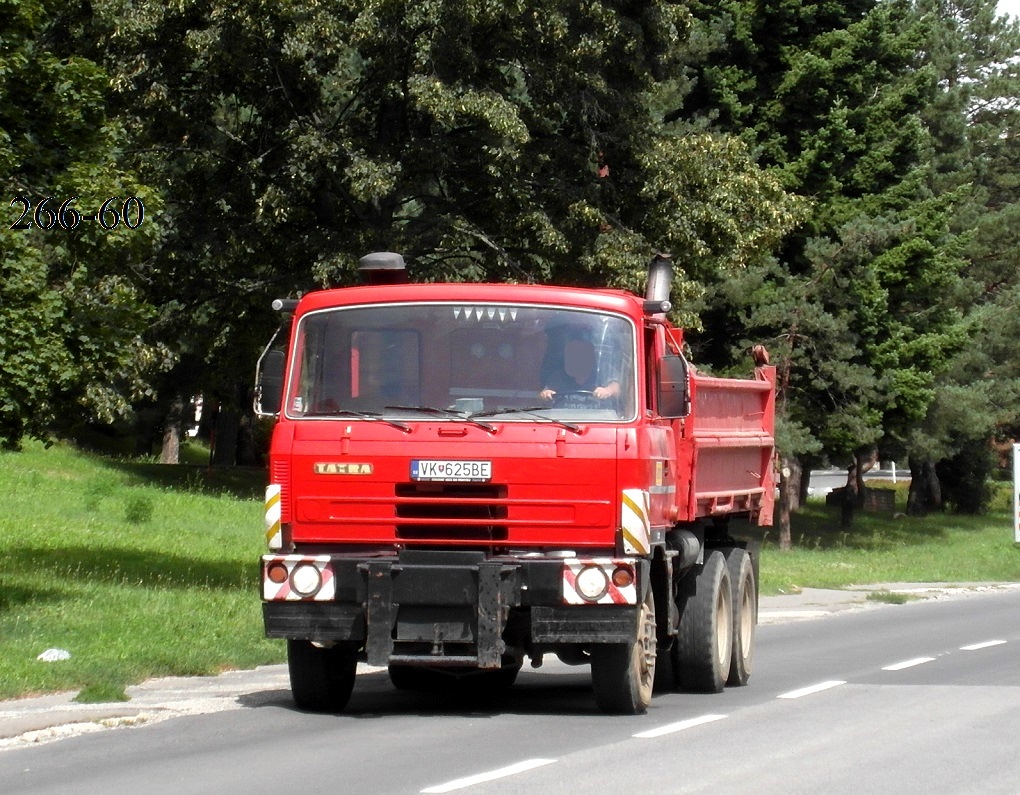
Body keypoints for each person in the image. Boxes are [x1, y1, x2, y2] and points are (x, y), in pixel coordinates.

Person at [538, 334, 620, 405]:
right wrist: (545, 394)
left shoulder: (600, 373)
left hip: (598, 419)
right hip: (562, 419)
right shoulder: (559, 377)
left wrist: (607, 390)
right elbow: (543, 394)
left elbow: (617, 388)